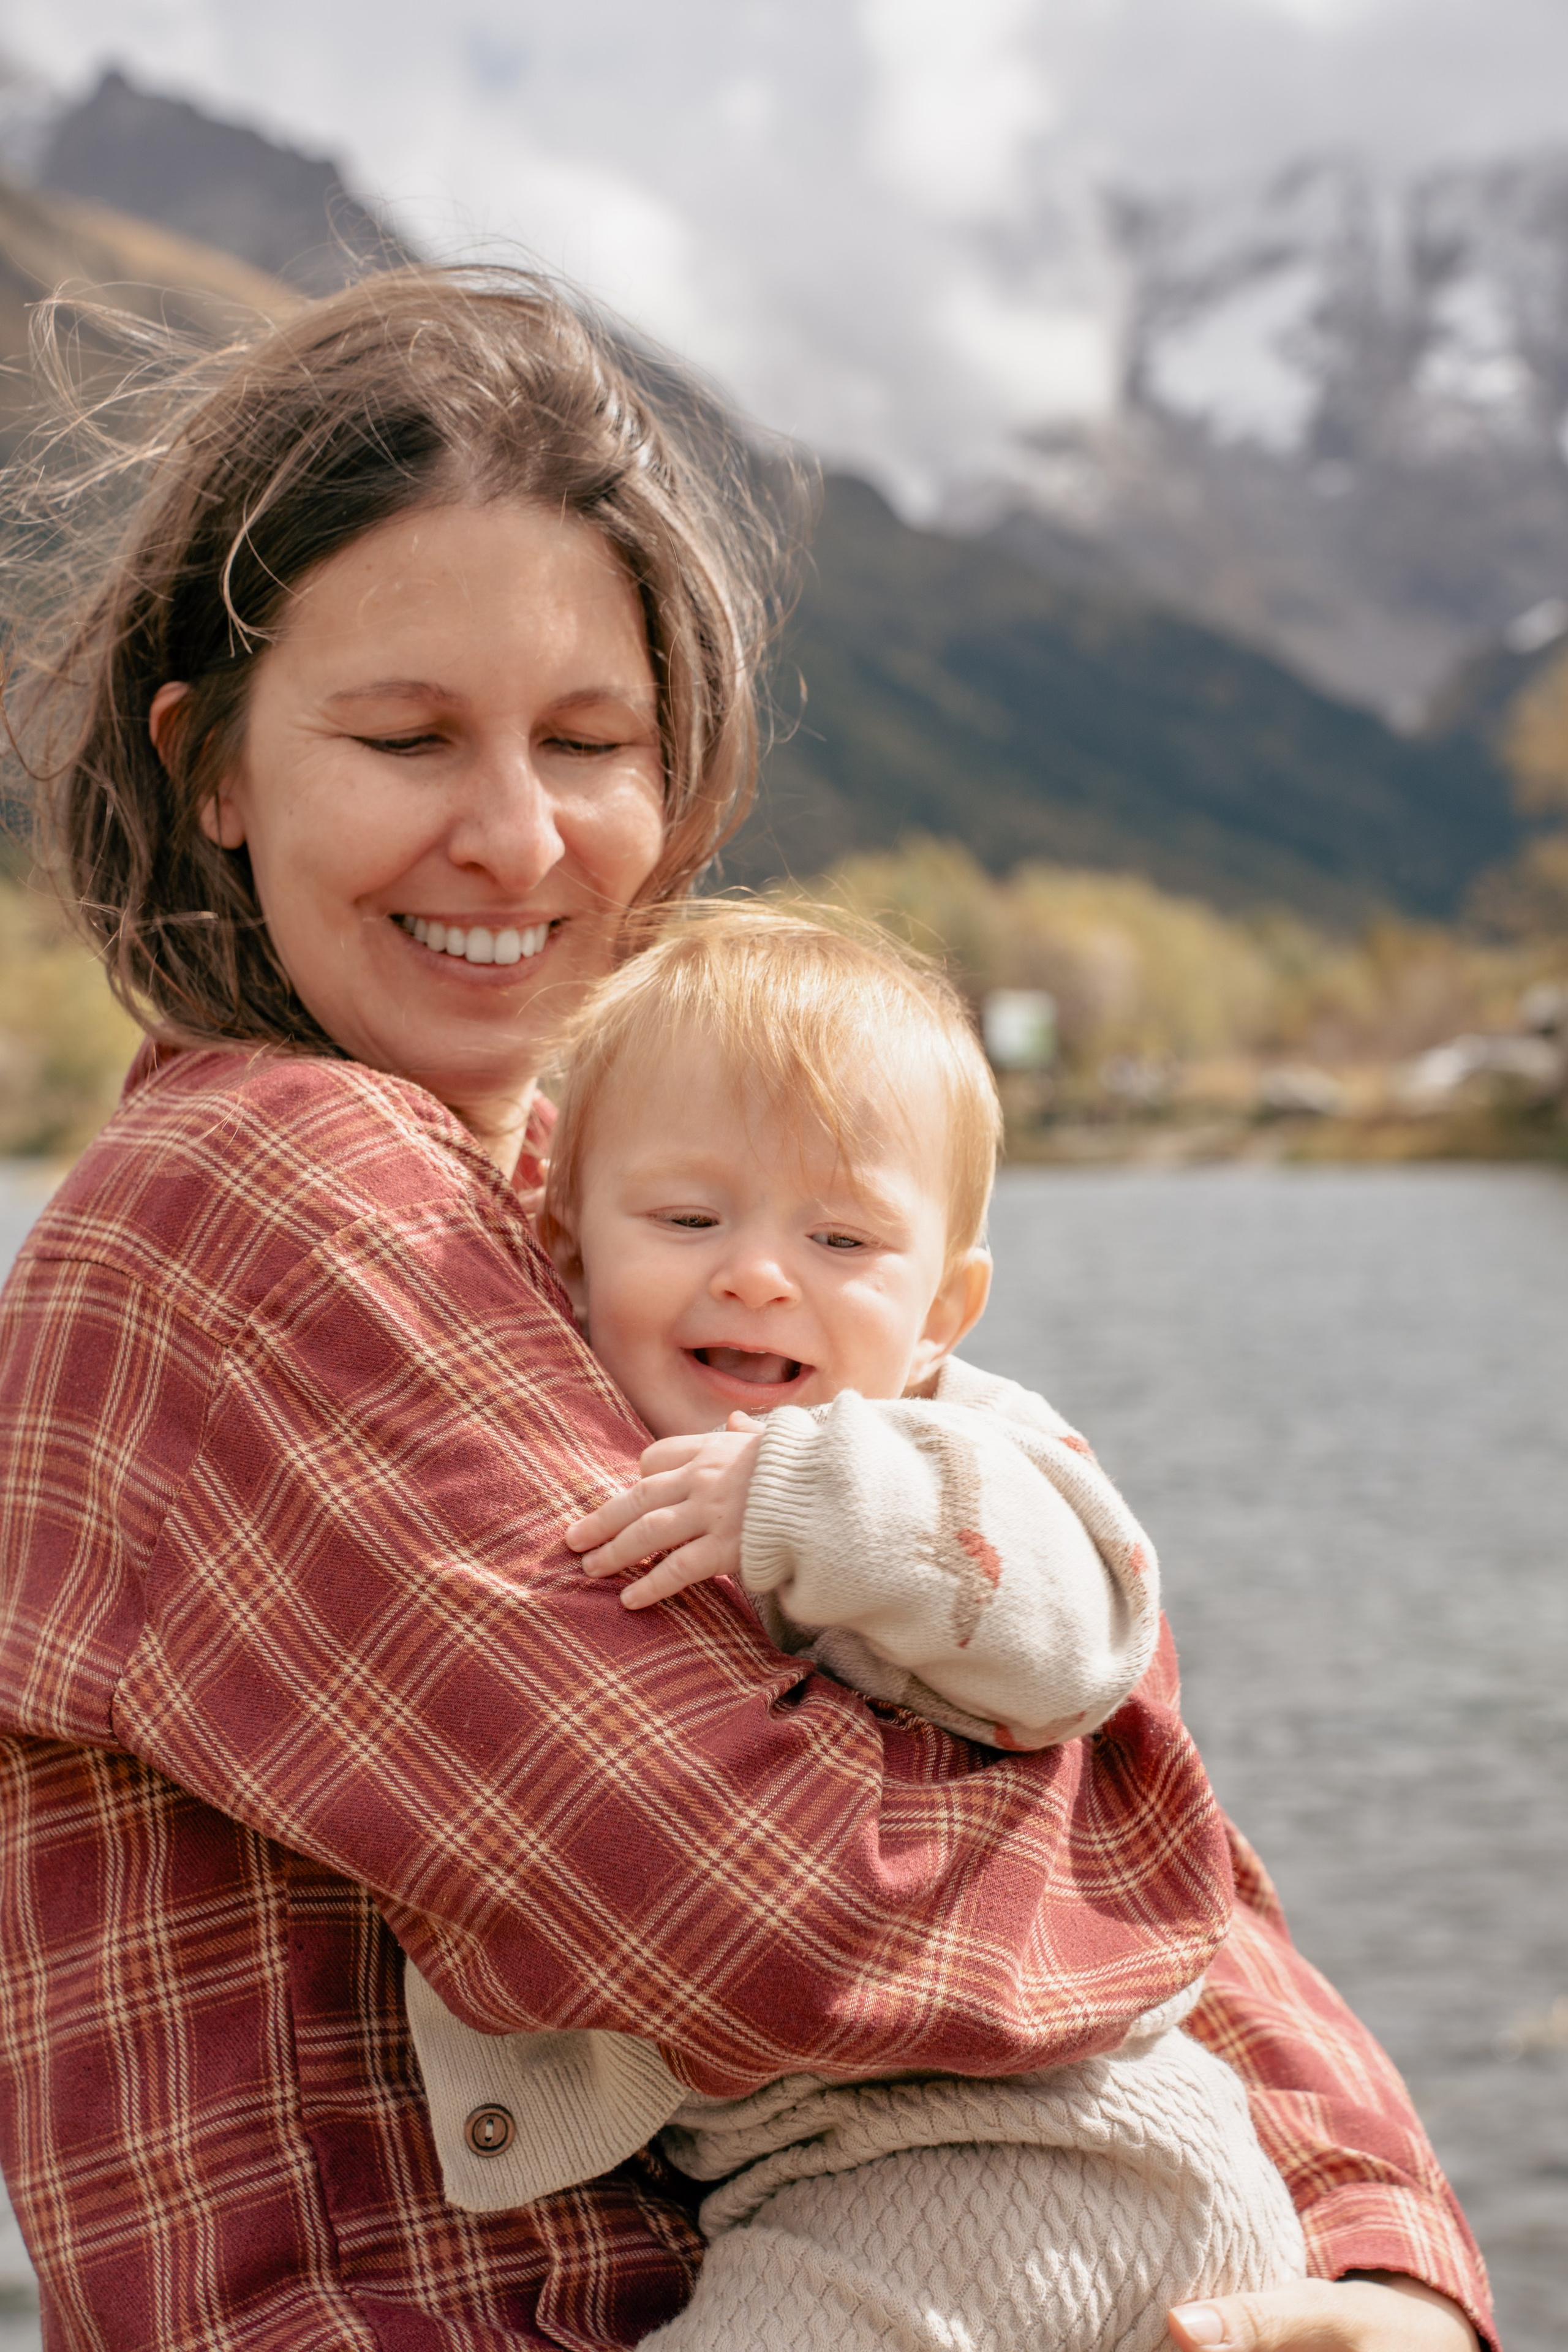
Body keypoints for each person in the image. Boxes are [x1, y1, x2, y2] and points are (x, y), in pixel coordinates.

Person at [0, 265, 1490, 2352]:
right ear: (214, 767)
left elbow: (1033, 1767)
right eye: (407, 733)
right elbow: (781, 1897)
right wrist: (1110, 1720)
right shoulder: (264, 1198)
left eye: (591, 740)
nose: (517, 833)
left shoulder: (629, 1242)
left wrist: (1379, 2268)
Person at [404, 903, 1311, 2352]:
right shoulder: (576, 1447)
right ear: (562, 1249)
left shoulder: (956, 1445)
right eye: (689, 1220)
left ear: (944, 1307)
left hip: (1040, 2158)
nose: (761, 1273)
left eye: (841, 1237)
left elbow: (1082, 1633)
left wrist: (817, 1489)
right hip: (858, 2175)